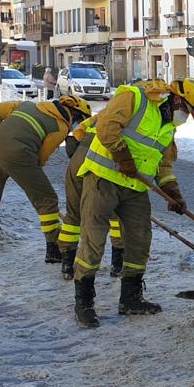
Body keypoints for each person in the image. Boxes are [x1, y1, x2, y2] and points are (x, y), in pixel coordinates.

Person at [71, 78, 194, 329]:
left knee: (140, 239)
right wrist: (123, 156)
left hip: (135, 189)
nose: (186, 116)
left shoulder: (169, 127)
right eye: (187, 110)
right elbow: (106, 127)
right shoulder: (135, 97)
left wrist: (172, 191)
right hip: (103, 179)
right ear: (176, 99)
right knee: (94, 242)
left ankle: (131, 298)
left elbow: (163, 164)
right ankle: (84, 302)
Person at [0, 95, 92, 266]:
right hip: (20, 156)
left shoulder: (25, 105)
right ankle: (53, 249)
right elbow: (41, 156)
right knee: (47, 200)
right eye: (80, 121)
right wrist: (31, 177)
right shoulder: (60, 127)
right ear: (74, 114)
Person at [58, 114, 126, 281]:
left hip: (78, 159)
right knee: (116, 214)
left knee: (73, 214)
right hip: (101, 163)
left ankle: (67, 265)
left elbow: (78, 132)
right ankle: (117, 265)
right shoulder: (137, 115)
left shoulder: (102, 114)